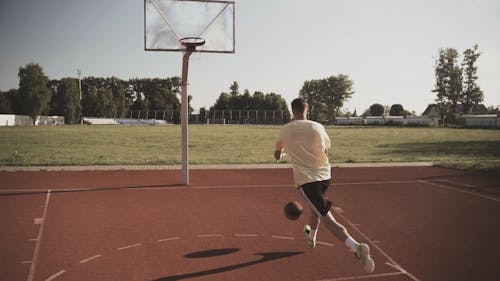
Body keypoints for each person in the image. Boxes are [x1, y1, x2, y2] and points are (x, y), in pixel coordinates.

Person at [274, 98, 375, 273]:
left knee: (327, 217)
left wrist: (284, 153)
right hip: (325, 177)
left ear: (292, 110)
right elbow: (326, 149)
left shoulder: (285, 130)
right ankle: (311, 237)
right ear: (307, 109)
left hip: (307, 181)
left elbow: (277, 155)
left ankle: (356, 246)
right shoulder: (318, 126)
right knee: (317, 208)